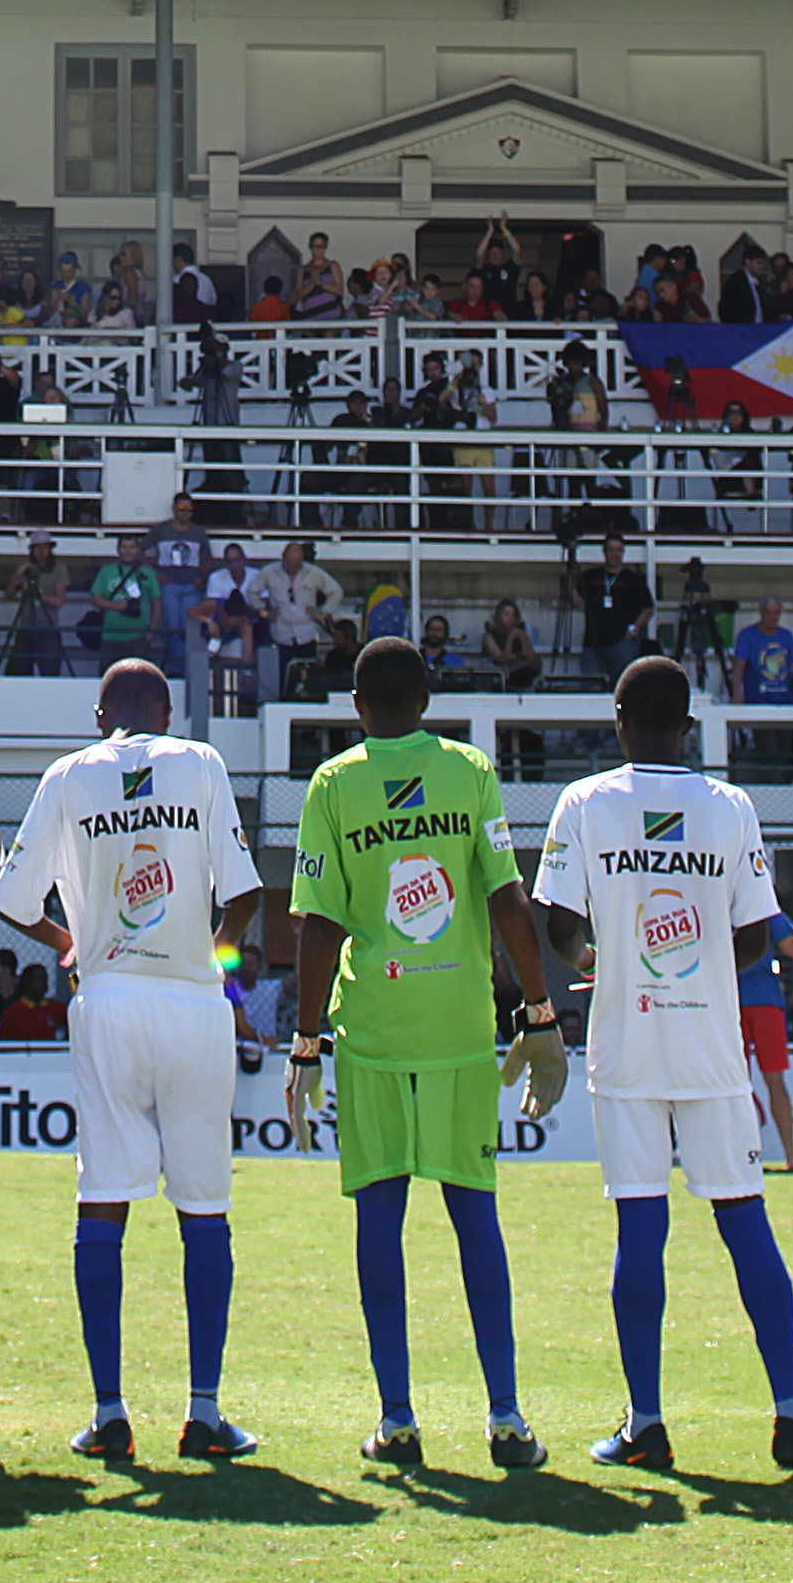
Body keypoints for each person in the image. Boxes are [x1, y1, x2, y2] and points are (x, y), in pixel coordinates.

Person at [531, 655, 793, 1474]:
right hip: (712, 1048)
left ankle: (646, 1424)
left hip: (627, 1048)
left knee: (640, 1229)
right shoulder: (729, 806)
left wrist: (598, 951)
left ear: (617, 715)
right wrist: (700, 955)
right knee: (747, 1225)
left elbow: (552, 916)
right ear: (690, 725)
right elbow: (754, 932)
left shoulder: (586, 802)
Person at [287, 628, 554, 1473]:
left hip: (371, 1031)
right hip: (460, 1031)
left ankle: (397, 1420)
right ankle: (506, 1419)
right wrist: (541, 1010)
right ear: (429, 702)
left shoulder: (334, 783)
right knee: (477, 1219)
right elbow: (509, 898)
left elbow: (318, 924)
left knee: (380, 1223)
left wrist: (305, 1043)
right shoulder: (469, 771)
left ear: (358, 708)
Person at [0, 654, 261, 1463]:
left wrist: (70, 942)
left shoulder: (70, 775)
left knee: (104, 1197)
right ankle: (204, 1414)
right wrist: (215, 959)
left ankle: (110, 1413)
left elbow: (8, 901)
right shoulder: (201, 763)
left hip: (107, 1001)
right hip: (190, 1005)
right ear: (169, 714)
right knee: (204, 1207)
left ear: (97, 716)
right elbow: (244, 892)